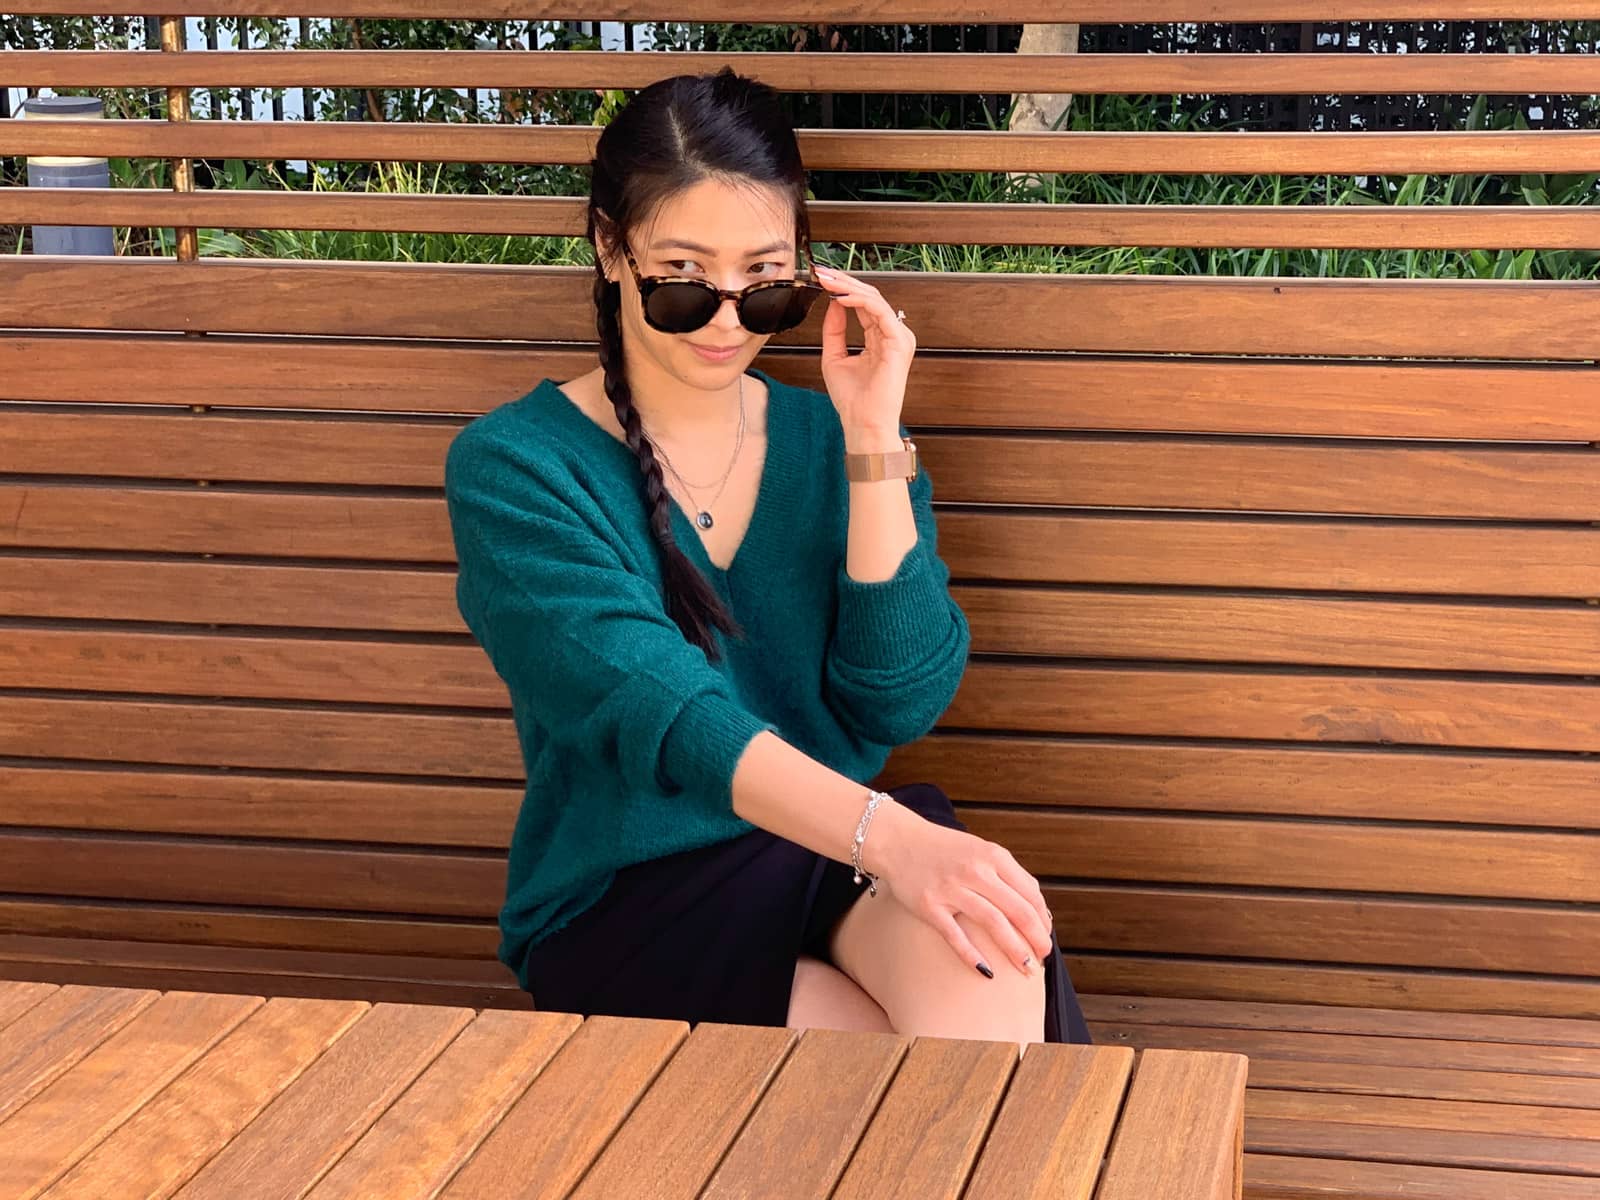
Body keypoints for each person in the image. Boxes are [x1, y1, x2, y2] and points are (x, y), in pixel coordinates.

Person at [444, 67, 1092, 1051]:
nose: (723, 317)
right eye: (684, 279)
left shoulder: (829, 439)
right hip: (633, 886)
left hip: (830, 850)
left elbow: (894, 701)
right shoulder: (517, 467)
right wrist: (899, 842)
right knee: (879, 1087)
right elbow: (661, 711)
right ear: (609, 248)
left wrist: (872, 436)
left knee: (984, 966)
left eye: (764, 282)